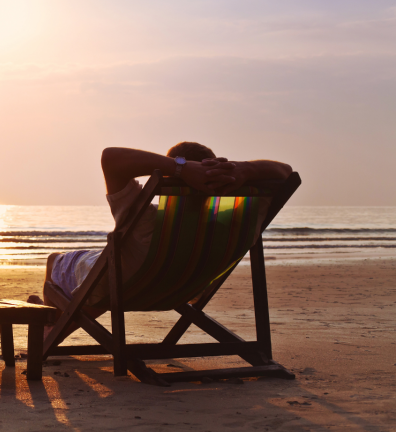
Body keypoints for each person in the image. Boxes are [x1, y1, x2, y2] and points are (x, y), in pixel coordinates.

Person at [29, 142, 292, 338]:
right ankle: (55, 325)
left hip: (121, 286)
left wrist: (178, 168)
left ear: (169, 178)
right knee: (106, 278)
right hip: (183, 288)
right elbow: (284, 171)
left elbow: (110, 156)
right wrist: (242, 170)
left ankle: (50, 329)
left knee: (59, 262)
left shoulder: (145, 222)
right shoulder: (233, 223)